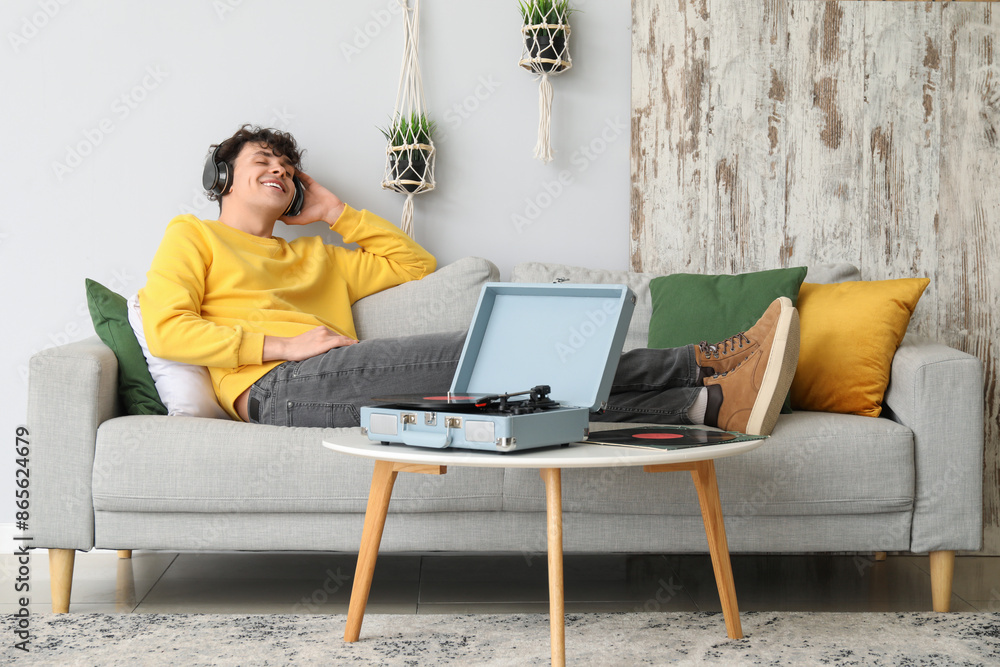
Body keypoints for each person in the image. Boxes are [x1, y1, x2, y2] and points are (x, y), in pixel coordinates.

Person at [140, 125, 799, 437]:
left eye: (287, 168)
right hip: (275, 388)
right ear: (222, 178)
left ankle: (705, 404)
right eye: (263, 162)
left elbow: (414, 267)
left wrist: (336, 213)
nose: (279, 171)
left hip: (333, 372)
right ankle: (700, 358)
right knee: (493, 352)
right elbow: (170, 327)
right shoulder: (191, 235)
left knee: (512, 397)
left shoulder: (319, 256)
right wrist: (283, 346)